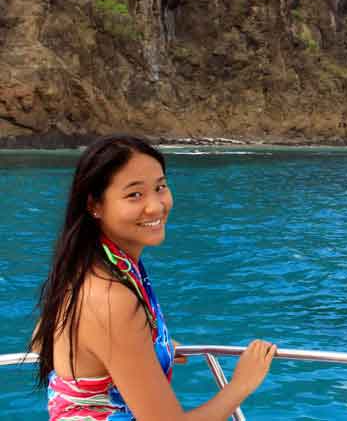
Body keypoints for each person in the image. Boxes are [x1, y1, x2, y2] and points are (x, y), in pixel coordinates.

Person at [29, 134, 277, 420]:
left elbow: (44, 339)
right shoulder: (110, 297)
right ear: (95, 205)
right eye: (134, 194)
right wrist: (241, 384)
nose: (156, 206)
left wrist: (146, 349)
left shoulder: (89, 266)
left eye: (160, 187)